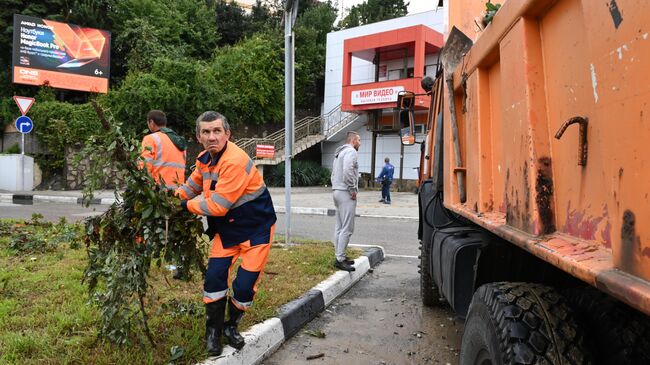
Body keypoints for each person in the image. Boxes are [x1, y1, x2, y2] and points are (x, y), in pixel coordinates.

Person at [176, 111, 276, 356]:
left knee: (244, 286)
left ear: (227, 134)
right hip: (227, 232)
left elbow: (218, 206)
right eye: (206, 132)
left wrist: (186, 206)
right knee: (214, 280)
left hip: (256, 231)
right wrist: (173, 198)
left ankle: (231, 326)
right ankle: (213, 331)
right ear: (198, 136)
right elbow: (193, 184)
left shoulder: (234, 160)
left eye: (217, 131)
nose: (212, 137)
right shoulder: (204, 159)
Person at [331, 131, 361, 272]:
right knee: (347, 228)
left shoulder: (339, 153)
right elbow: (348, 170)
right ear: (353, 140)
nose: (359, 143)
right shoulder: (351, 152)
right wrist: (352, 189)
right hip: (345, 192)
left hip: (337, 191)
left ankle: (339, 256)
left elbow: (333, 174)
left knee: (339, 226)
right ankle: (340, 258)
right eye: (359, 140)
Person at [140, 110, 187, 190]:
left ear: (151, 122)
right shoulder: (179, 141)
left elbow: (144, 167)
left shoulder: (151, 139)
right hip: (178, 191)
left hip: (158, 191)